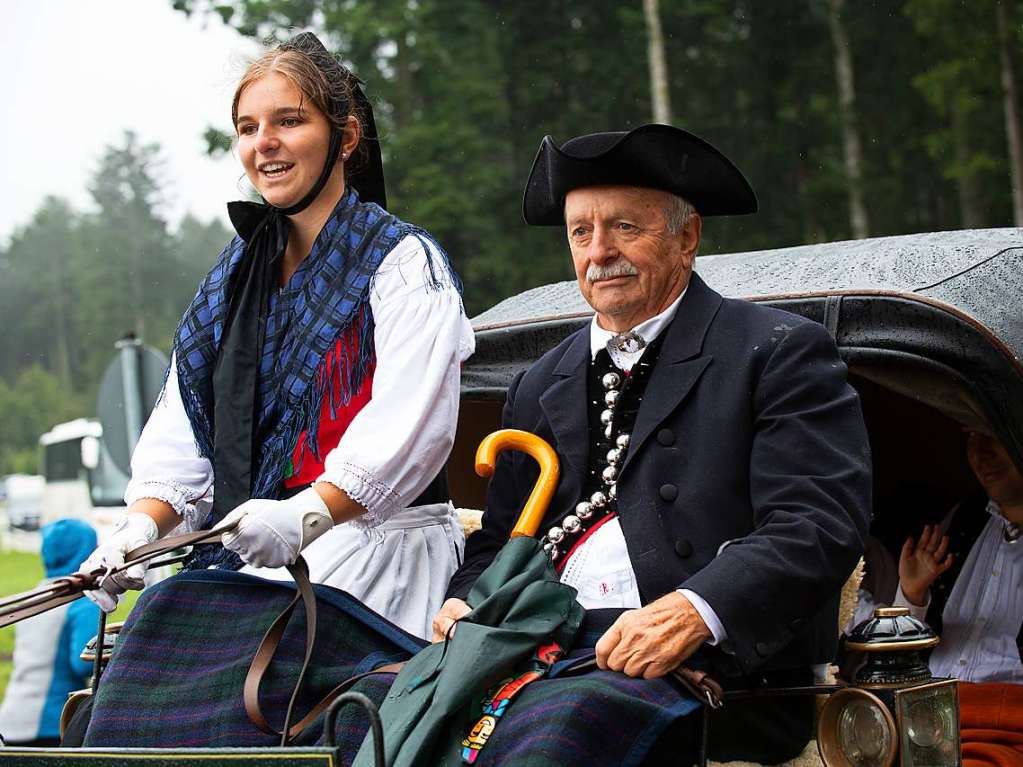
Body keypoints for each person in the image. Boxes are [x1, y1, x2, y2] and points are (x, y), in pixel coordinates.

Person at [430, 124, 872, 764]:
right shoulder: (538, 384)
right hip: (538, 657)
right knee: (373, 713)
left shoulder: (777, 352)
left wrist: (697, 611)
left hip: (715, 680)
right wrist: (464, 601)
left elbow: (817, 523)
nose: (598, 250)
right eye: (581, 232)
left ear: (686, 237)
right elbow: (501, 542)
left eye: (625, 228)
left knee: (554, 739)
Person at [79, 32, 474, 640]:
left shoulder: (403, 263)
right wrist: (138, 531)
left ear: (344, 137)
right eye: (247, 127)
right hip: (264, 557)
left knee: (252, 666)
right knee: (149, 644)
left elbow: (410, 427)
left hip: (380, 555)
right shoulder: (229, 281)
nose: (264, 143)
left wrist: (304, 515)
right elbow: (181, 439)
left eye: (288, 121)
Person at [0, 520, 100, 746]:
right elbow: (84, 662)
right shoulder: (81, 603)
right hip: (52, 721)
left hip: (11, 717)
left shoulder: (36, 597)